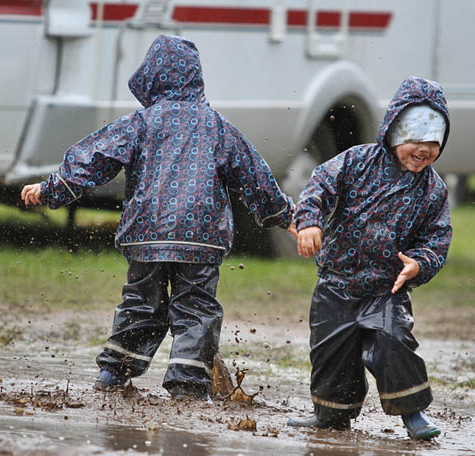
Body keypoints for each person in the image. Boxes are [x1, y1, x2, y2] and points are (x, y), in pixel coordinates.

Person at [21, 35, 295, 400]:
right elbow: (254, 174)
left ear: (151, 78)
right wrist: (285, 215)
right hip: (201, 236)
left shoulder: (141, 123)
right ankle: (186, 384)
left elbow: (96, 156)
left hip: (146, 235)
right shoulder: (217, 126)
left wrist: (52, 189)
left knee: (141, 302)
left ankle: (114, 372)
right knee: (196, 307)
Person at [288, 76, 452, 440]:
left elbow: (437, 237)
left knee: (395, 343)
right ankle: (330, 414)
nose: (423, 151)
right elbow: (319, 186)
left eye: (432, 143)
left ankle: (413, 413)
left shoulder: (433, 190)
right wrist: (310, 222)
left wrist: (420, 263)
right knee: (331, 351)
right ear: (393, 133)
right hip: (337, 284)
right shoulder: (357, 162)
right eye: (414, 140)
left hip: (385, 290)